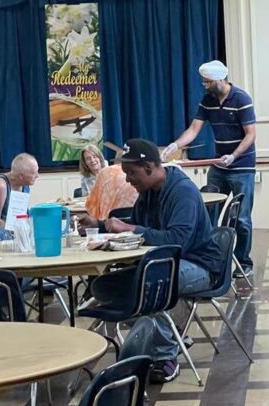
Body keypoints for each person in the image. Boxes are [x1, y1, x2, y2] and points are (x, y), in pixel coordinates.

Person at [79, 138, 220, 383]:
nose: (128, 180)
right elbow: (133, 228)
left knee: (152, 282)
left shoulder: (182, 192)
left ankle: (166, 356)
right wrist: (99, 225)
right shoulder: (147, 192)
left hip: (199, 265)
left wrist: (132, 229)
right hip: (164, 265)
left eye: (131, 173)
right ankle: (168, 333)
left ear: (149, 168)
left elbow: (178, 241)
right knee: (103, 287)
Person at [163, 59, 258, 275]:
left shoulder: (241, 99)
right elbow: (193, 129)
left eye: (207, 82)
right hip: (218, 165)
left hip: (242, 167)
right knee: (207, 213)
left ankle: (244, 263)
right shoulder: (208, 100)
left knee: (241, 218)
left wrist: (233, 156)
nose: (205, 86)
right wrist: (175, 145)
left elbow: (251, 134)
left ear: (219, 79)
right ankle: (210, 259)